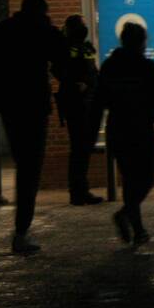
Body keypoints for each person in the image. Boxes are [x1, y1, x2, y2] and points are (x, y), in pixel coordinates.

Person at [0, 0, 68, 255]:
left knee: (23, 163)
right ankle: (21, 231)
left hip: (10, 106)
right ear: (41, 11)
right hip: (34, 105)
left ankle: (21, 231)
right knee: (30, 169)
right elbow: (62, 63)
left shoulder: (1, 31)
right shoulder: (42, 31)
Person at [96, 22, 154, 246]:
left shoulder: (109, 67)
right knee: (146, 178)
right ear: (141, 42)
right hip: (141, 129)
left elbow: (100, 99)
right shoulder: (148, 67)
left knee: (130, 179)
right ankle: (133, 224)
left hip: (118, 129)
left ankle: (132, 223)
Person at [56, 15, 104, 206]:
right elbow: (58, 70)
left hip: (91, 102)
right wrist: (74, 83)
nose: (83, 27)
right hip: (76, 103)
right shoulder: (66, 48)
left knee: (85, 148)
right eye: (80, 25)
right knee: (79, 148)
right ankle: (77, 191)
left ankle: (81, 189)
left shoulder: (86, 47)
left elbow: (93, 71)